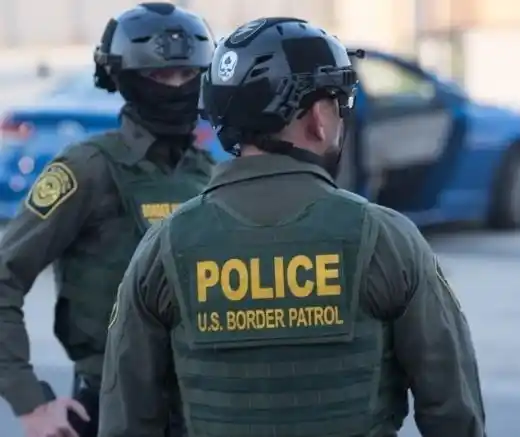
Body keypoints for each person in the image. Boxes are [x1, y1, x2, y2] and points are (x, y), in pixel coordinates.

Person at [99, 17, 487, 437]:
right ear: (319, 117)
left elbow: (126, 421)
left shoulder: (163, 247)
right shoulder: (387, 239)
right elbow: (454, 412)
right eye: (339, 104)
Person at [0, 3, 216, 437]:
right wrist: (30, 402)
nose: (177, 87)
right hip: (111, 409)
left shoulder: (208, 173)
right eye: (160, 75)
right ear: (123, 78)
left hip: (202, 409)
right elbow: (5, 275)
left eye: (188, 74)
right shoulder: (88, 169)